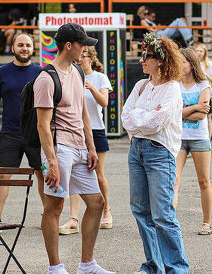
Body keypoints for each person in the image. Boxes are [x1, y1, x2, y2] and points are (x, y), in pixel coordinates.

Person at [34, 23, 114, 274]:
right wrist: (52, 162)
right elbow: (42, 126)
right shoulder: (47, 78)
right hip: (59, 150)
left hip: (80, 148)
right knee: (54, 208)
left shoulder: (79, 73)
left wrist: (90, 148)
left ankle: (87, 264)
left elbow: (83, 115)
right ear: (69, 45)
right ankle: (55, 267)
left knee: (97, 202)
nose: (86, 50)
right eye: (83, 45)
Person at [121, 33, 190, 274]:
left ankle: (177, 268)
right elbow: (125, 118)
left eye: (146, 56)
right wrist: (143, 118)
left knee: (162, 215)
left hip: (159, 152)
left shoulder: (172, 89)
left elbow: (157, 123)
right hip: (136, 149)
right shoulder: (141, 86)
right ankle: (153, 265)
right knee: (140, 211)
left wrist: (139, 117)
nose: (141, 60)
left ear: (160, 60)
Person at [0, 33, 44, 225]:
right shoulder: (1, 73)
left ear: (33, 49)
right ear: (13, 48)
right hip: (10, 134)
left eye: (28, 45)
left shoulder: (41, 73)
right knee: (2, 175)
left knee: (42, 172)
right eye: (20, 45)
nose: (24, 48)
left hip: (36, 135)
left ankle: (49, 215)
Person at [58, 45, 113, 235]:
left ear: (91, 58)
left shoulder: (99, 78)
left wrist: (90, 88)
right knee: (74, 177)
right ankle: (73, 219)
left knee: (98, 175)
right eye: (80, 55)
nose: (80, 58)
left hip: (96, 129)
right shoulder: (72, 74)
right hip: (76, 130)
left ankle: (107, 211)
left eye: (85, 55)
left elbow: (105, 103)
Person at [173, 47, 212, 236]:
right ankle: (170, 221)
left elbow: (201, 116)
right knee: (174, 180)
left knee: (203, 180)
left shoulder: (203, 85)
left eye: (183, 62)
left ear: (191, 64)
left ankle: (206, 222)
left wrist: (185, 110)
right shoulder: (174, 85)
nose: (180, 65)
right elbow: (172, 113)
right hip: (178, 138)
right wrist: (195, 106)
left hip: (198, 138)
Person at [195, 43, 212, 138]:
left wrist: (205, 74)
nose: (199, 53)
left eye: (201, 51)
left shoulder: (209, 64)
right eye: (197, 51)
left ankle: (209, 138)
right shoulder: (193, 63)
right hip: (195, 91)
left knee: (208, 115)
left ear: (205, 53)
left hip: (206, 90)